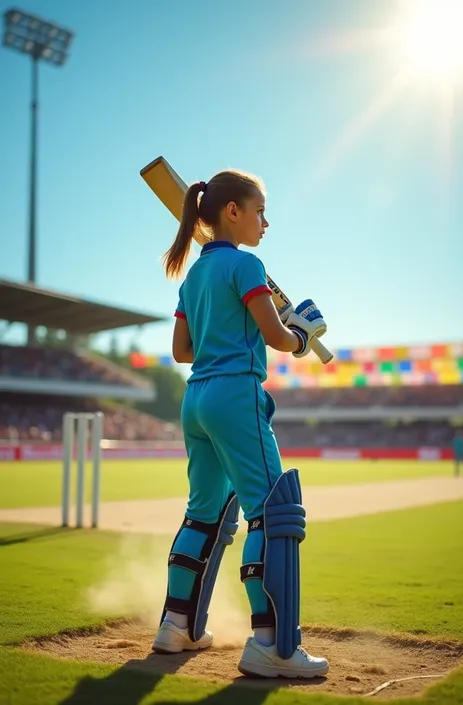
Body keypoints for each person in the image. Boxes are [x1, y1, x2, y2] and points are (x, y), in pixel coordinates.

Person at [151, 166, 330, 679]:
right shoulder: (247, 265)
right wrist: (302, 333)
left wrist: (282, 327)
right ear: (233, 212)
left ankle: (175, 626)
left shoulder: (194, 276)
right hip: (235, 395)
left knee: (202, 514)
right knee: (274, 512)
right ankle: (272, 645)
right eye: (260, 212)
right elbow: (276, 338)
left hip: (197, 399)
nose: (265, 222)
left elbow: (182, 351)